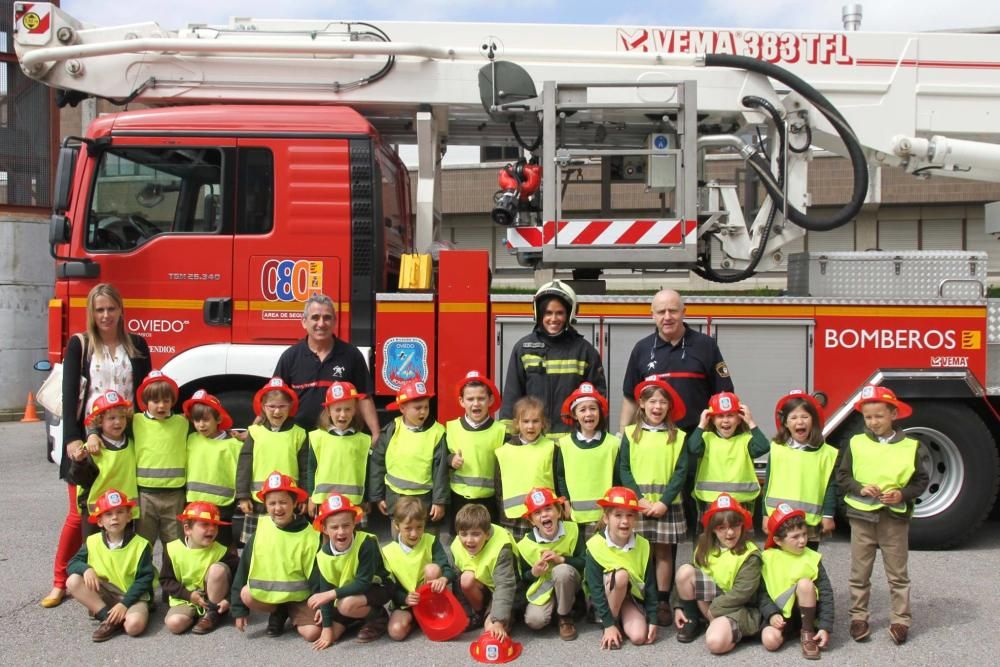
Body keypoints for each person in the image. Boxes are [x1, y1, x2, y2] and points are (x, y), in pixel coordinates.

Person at [44, 282, 150, 609]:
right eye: (99, 310)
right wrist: (74, 438)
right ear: (92, 313)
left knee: (121, 512)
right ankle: (61, 581)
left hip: (124, 440)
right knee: (79, 516)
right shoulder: (81, 345)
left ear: (121, 310)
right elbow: (69, 393)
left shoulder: (138, 345)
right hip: (90, 442)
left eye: (111, 308)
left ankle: (116, 582)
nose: (105, 315)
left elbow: (144, 396)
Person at [836, 385, 930, 646]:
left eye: (879, 416)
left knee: (897, 574)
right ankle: (858, 617)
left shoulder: (911, 447)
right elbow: (842, 477)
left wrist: (902, 494)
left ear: (894, 414)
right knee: (859, 572)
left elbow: (921, 480)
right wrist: (860, 488)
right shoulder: (856, 443)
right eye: (868, 417)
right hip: (861, 516)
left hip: (894, 518)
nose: (873, 421)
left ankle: (901, 620)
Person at [617, 376, 689, 626]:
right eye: (652, 401)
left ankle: (661, 600)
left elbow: (681, 472)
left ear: (669, 406)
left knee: (664, 553)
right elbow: (624, 468)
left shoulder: (678, 436)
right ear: (642, 404)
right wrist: (639, 499)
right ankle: (641, 597)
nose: (657, 407)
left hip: (666, 505)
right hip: (639, 506)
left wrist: (664, 502)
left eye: (663, 402)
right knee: (638, 552)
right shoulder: (629, 433)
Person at [499, 280, 606, 439]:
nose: (553, 319)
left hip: (573, 444)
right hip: (533, 443)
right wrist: (509, 439)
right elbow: (511, 397)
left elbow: (597, 402)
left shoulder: (585, 352)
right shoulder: (523, 349)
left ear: (569, 314)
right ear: (539, 313)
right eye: (548, 313)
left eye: (560, 313)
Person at [619, 289, 734, 434]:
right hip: (655, 439)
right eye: (661, 312)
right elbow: (630, 398)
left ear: (683, 312)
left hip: (698, 439)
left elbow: (724, 395)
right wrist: (622, 435)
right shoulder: (642, 348)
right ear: (652, 315)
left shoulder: (706, 346)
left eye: (673, 311)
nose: (667, 317)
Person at [274, 293, 379, 437]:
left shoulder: (352, 355)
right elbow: (274, 397)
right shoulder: (290, 356)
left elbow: (364, 398)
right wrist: (255, 431)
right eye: (315, 317)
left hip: (340, 439)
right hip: (300, 439)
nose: (321, 324)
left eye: (327, 318)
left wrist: (376, 433)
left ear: (335, 322)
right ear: (304, 322)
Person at [231, 472, 320, 639]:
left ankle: (291, 612)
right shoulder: (261, 530)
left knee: (312, 634)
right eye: (272, 503)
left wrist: (323, 607)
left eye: (283, 502)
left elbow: (317, 576)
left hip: (301, 597)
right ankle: (279, 612)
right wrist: (239, 609)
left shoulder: (311, 536)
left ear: (294, 503)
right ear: (265, 504)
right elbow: (243, 569)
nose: (277, 508)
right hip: (273, 597)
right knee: (246, 594)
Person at [672, 493, 762, 654]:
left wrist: (712, 611)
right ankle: (693, 620)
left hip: (737, 607)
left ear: (743, 525)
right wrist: (680, 606)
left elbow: (741, 593)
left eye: (734, 526)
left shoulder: (751, 553)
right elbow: (690, 576)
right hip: (709, 602)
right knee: (685, 571)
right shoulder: (704, 545)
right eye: (722, 528)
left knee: (715, 643)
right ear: (713, 529)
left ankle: (726, 628)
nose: (729, 533)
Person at [66, 489, 155, 642]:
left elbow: (145, 579)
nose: (114, 517)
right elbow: (72, 564)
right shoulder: (93, 541)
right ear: (100, 521)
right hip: (106, 593)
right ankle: (108, 619)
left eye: (120, 512)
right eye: (108, 514)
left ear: (129, 516)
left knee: (134, 627)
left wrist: (125, 604)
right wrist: (86, 569)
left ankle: (114, 618)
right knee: (73, 581)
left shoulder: (141, 544)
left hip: (132, 596)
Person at [307, 494, 392, 649]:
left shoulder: (367, 543)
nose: (341, 532)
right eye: (334, 527)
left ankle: (378, 617)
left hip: (377, 588)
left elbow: (363, 583)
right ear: (324, 529)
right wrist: (327, 628)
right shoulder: (323, 555)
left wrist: (330, 595)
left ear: (354, 523)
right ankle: (354, 618)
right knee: (330, 636)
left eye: (346, 525)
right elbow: (325, 590)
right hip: (347, 593)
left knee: (346, 605)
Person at [584, 486, 657, 650]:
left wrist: (653, 618)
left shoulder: (643, 545)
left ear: (636, 518)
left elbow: (650, 584)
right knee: (622, 575)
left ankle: (621, 620)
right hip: (604, 599)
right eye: (618, 515)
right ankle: (609, 624)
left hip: (630, 598)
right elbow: (595, 589)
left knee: (639, 637)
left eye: (630, 515)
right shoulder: (595, 545)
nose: (625, 521)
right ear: (606, 518)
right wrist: (609, 624)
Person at [235, 378, 308, 543]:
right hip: (258, 503)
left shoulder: (299, 434)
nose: (277, 412)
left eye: (282, 406)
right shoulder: (254, 432)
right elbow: (244, 466)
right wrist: (243, 496)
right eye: (272, 406)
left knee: (287, 542)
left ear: (290, 406)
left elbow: (305, 469)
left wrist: (304, 496)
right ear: (263, 407)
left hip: (289, 502)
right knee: (256, 545)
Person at [763, 390, 838, 551]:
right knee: (778, 565)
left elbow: (830, 486)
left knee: (806, 564)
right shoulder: (777, 449)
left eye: (805, 417)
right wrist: (764, 514)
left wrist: (828, 515)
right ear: (785, 423)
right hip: (779, 520)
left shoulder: (826, 453)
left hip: (809, 524)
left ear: (814, 421)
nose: (800, 422)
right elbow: (768, 483)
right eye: (794, 417)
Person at [759, 504, 834, 660]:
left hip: (807, 616)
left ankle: (807, 633)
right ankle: (791, 632)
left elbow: (826, 592)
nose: (802, 541)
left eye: (804, 534)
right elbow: (761, 592)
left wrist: (825, 627)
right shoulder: (767, 558)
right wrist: (771, 614)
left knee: (805, 584)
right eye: (795, 537)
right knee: (770, 641)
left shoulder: (812, 558)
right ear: (778, 540)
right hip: (780, 617)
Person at [369, 380, 448, 526]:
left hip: (425, 503)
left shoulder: (437, 433)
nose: (423, 412)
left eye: (426, 407)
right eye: (417, 408)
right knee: (399, 539)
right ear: (402, 408)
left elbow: (440, 471)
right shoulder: (392, 430)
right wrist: (378, 496)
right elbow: (377, 463)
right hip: (395, 499)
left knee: (425, 541)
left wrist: (439, 501)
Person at [125, 370, 189, 552]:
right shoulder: (135, 421)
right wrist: (92, 436)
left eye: (166, 401)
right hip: (145, 495)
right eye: (155, 401)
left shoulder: (183, 423)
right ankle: (145, 578)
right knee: (143, 542)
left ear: (172, 401)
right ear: (145, 402)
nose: (161, 406)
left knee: (175, 544)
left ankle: (171, 579)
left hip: (175, 494)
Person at [382, 496, 455, 641]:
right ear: (397, 526)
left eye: (419, 527)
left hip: (430, 600)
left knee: (432, 569)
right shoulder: (387, 551)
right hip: (406, 603)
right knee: (396, 632)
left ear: (424, 524)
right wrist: (404, 598)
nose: (414, 533)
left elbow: (448, 569)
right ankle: (417, 620)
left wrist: (443, 578)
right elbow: (388, 586)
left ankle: (431, 611)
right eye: (408, 528)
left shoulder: (431, 541)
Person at [160, 501, 240, 635]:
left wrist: (229, 600)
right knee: (174, 624)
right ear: (187, 529)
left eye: (215, 525)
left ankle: (213, 614)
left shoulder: (221, 551)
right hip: (186, 598)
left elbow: (241, 575)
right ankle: (195, 616)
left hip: (213, 600)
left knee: (217, 569)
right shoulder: (172, 549)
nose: (212, 529)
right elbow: (166, 580)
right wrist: (189, 595)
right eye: (204, 524)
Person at [554, 383, 621, 538]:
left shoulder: (613, 444)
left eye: (593, 408)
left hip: (604, 517)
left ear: (600, 412)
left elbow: (617, 478)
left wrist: (612, 510)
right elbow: (561, 476)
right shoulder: (565, 444)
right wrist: (566, 502)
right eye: (582, 409)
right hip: (575, 518)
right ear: (574, 414)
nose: (588, 414)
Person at [68, 390, 139, 536]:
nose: (118, 422)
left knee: (123, 550)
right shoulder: (91, 449)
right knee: (94, 552)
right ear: (100, 421)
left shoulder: (132, 445)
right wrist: (79, 462)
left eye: (122, 417)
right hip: (96, 515)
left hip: (124, 513)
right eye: (111, 418)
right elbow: (79, 479)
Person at [517, 487, 584, 641]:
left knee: (562, 571)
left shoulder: (573, 530)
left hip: (569, 582)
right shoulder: (524, 545)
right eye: (538, 513)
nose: (544, 515)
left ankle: (564, 616)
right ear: (531, 520)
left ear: (559, 512)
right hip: (544, 588)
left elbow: (585, 562)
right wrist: (534, 573)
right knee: (534, 621)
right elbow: (523, 578)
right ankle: (555, 608)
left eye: (548, 509)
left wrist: (563, 560)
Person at [689, 392, 770, 516]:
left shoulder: (746, 440)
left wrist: (751, 422)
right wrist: (701, 425)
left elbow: (763, 447)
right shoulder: (706, 438)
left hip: (741, 501)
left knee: (741, 535)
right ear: (712, 419)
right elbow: (692, 448)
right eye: (720, 416)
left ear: (739, 418)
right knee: (710, 536)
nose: (726, 420)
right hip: (710, 500)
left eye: (731, 415)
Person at [445, 371, 506, 530]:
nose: (476, 403)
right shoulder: (451, 428)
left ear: (490, 400)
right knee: (461, 540)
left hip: (490, 500)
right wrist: (450, 460)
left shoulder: (501, 431)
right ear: (461, 401)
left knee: (488, 539)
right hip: (459, 498)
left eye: (481, 398)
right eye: (470, 399)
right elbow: (441, 458)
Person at [183, 390, 241, 547]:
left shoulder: (233, 445)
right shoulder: (192, 439)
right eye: (196, 420)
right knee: (196, 546)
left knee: (223, 547)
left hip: (223, 506)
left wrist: (242, 497)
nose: (201, 425)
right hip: (194, 504)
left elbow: (241, 474)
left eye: (206, 420)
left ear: (219, 419)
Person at [451, 503, 518, 640]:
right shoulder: (456, 545)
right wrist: (465, 614)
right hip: (482, 587)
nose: (469, 540)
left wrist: (498, 622)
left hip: (502, 591)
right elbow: (457, 584)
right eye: (463, 534)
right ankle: (479, 614)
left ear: (487, 534)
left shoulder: (502, 545)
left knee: (492, 632)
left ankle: (502, 617)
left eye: (476, 534)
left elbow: (505, 586)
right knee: (465, 579)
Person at [494, 396, 556, 540]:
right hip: (513, 519)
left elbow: (558, 483)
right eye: (525, 421)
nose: (530, 426)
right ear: (516, 423)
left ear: (543, 423)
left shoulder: (552, 448)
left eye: (535, 421)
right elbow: (499, 488)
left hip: (543, 517)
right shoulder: (503, 451)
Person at [306, 382, 371, 518]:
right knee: (326, 537)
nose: (343, 414)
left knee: (353, 538)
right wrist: (311, 497)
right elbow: (311, 468)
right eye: (338, 409)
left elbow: (367, 471)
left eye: (348, 409)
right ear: (329, 411)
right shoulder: (317, 437)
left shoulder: (363, 440)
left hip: (354, 503)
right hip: (323, 501)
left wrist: (366, 499)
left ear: (355, 410)